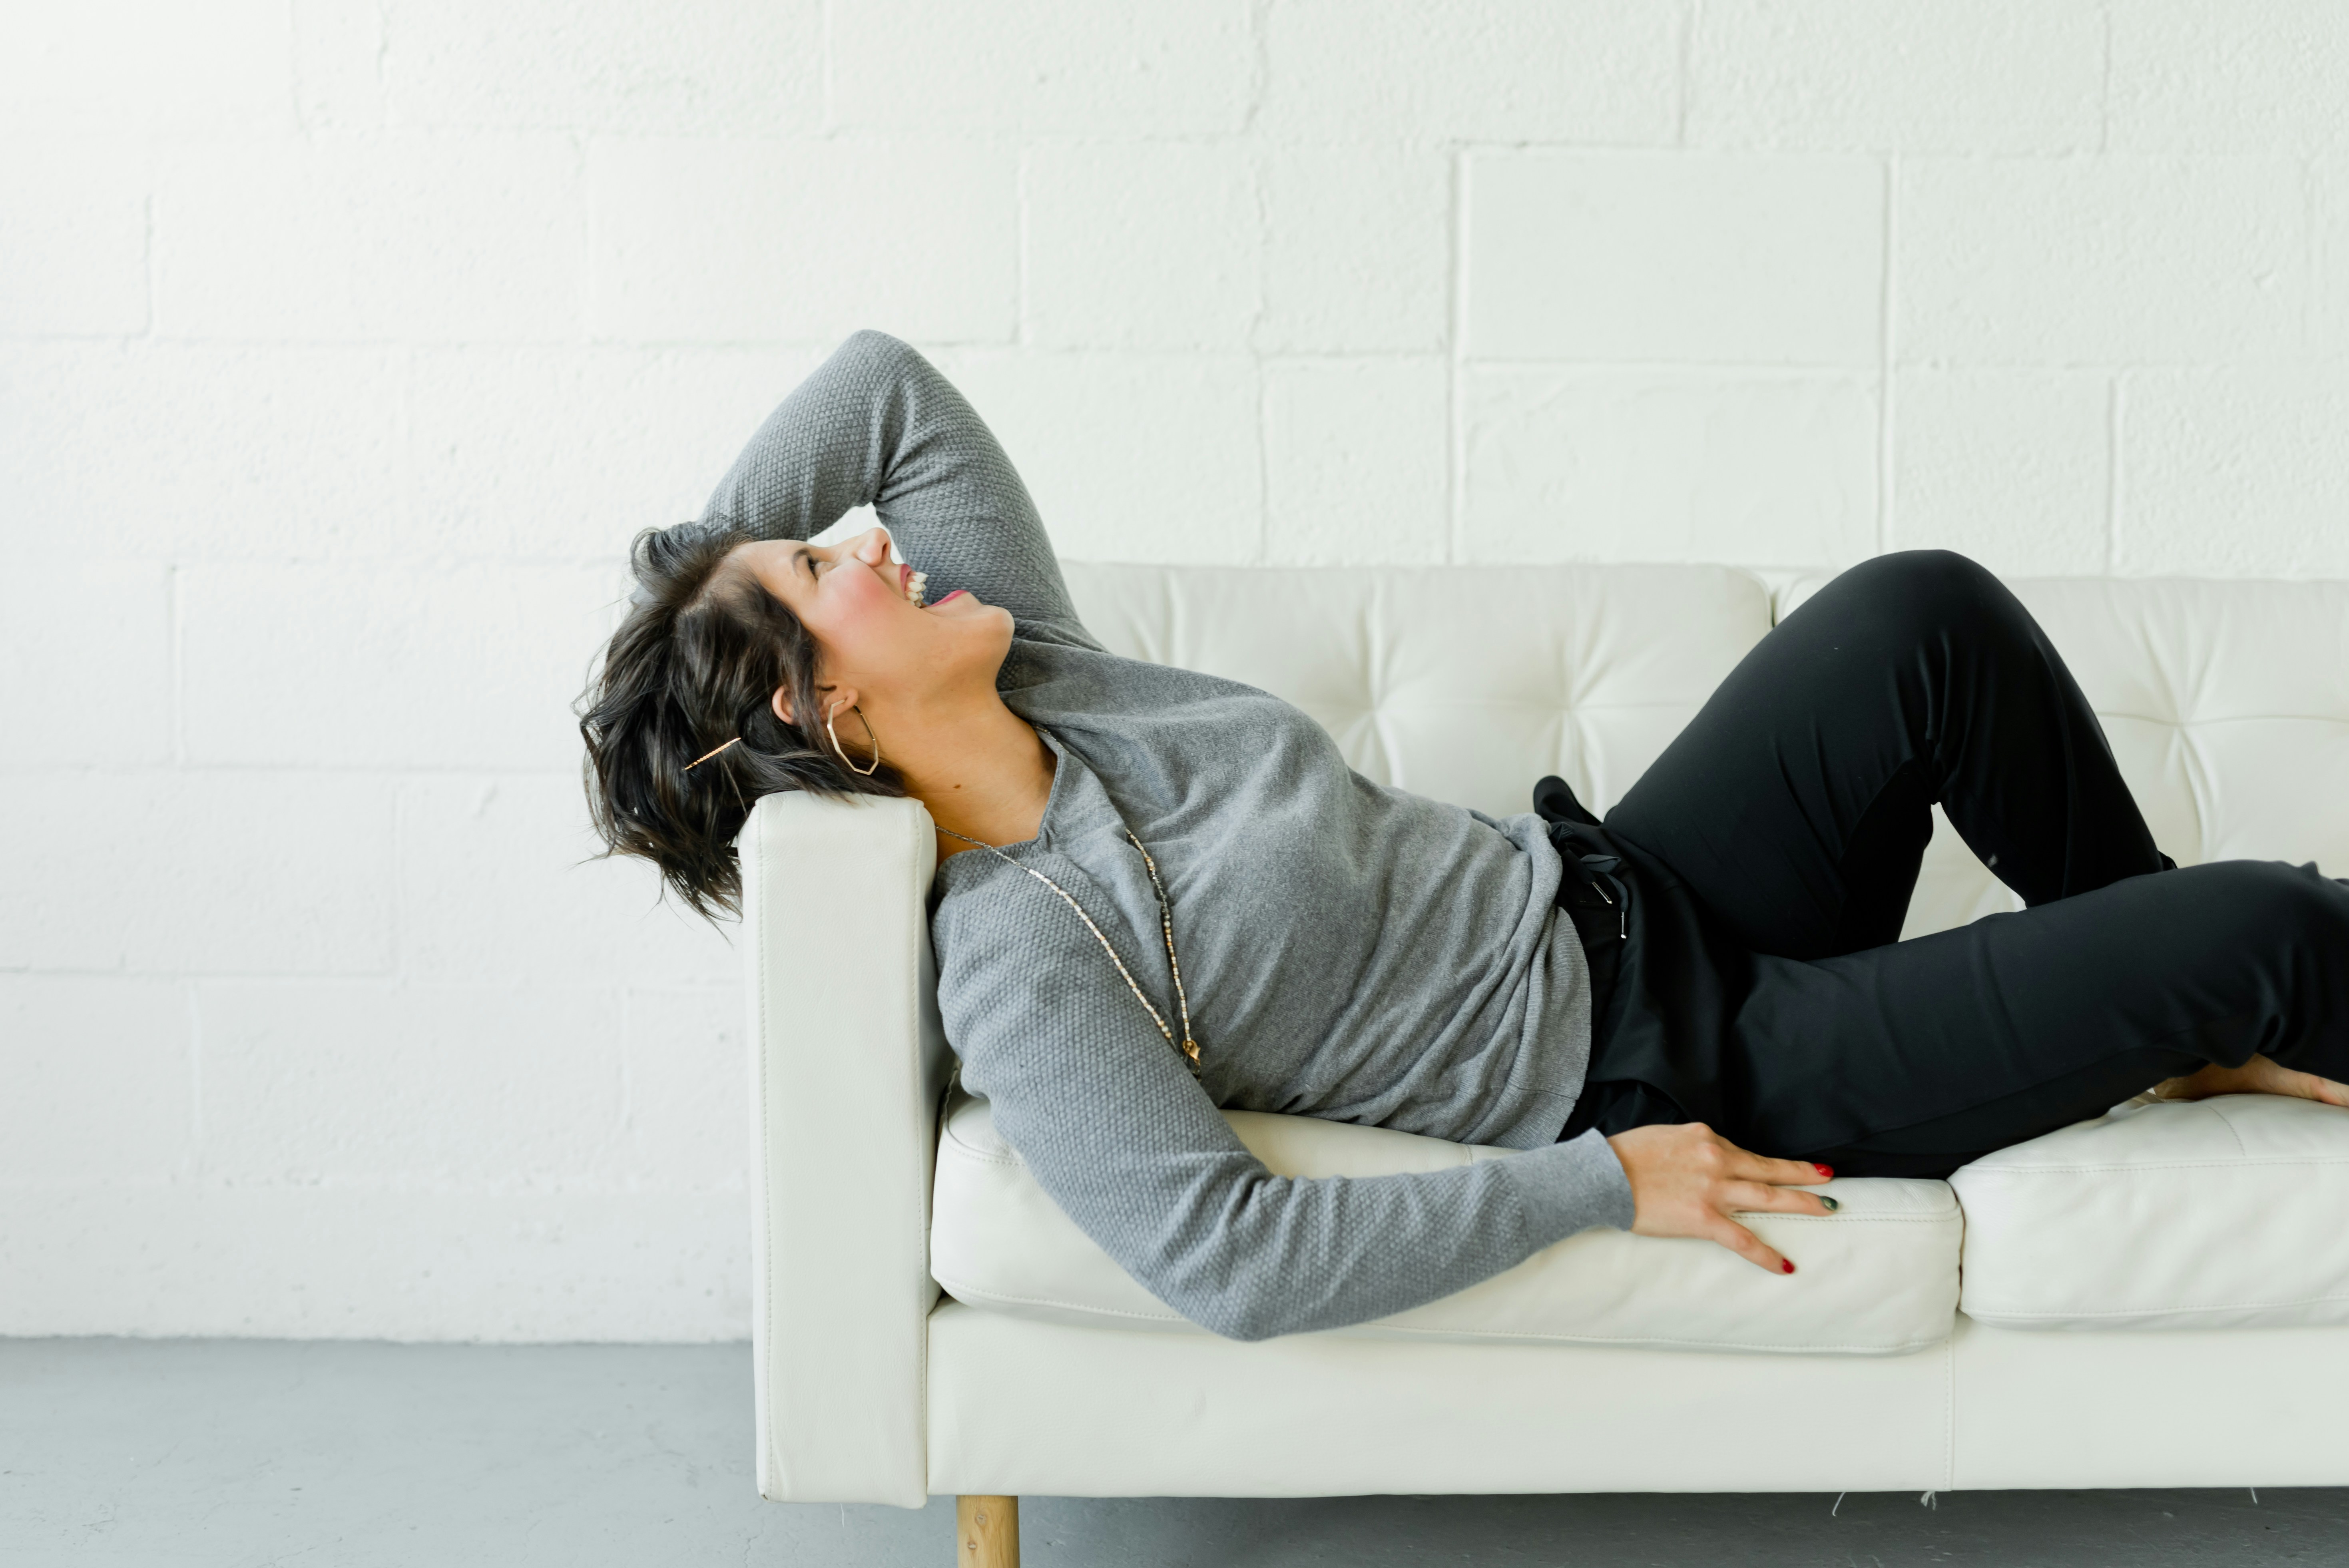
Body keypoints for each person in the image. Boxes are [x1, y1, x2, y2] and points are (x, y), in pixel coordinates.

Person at [578, 331, 2349, 1343]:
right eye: (820, 566)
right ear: (827, 708)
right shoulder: (1023, 949)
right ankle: (2212, 990)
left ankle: (2179, 1020)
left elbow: (883, 387)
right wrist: (1603, 1182)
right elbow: (1230, 1260)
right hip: (1690, 1063)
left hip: (1641, 884)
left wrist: (692, 596)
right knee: (2261, 930)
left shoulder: (1037, 661)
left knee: (1921, 614)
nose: (869, 538)